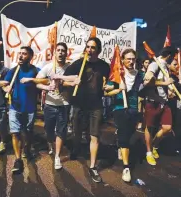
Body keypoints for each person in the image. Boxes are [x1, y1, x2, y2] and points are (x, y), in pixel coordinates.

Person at [64, 37, 110, 183]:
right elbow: (63, 80)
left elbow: (109, 81)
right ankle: (76, 148)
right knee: (77, 133)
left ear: (99, 50)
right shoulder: (78, 64)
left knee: (94, 135)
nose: (89, 50)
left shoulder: (104, 66)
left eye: (93, 47)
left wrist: (108, 87)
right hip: (78, 104)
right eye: (88, 47)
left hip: (95, 105)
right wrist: (73, 82)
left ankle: (92, 166)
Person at [104, 49, 144, 182]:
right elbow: (106, 92)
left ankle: (120, 143)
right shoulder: (117, 74)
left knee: (130, 132)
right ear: (122, 60)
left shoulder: (140, 74)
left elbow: (148, 83)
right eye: (128, 59)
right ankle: (126, 168)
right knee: (124, 136)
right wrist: (118, 89)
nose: (131, 61)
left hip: (133, 109)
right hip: (119, 108)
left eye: (133, 59)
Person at [36, 42, 77, 170]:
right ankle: (50, 143)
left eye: (63, 50)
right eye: (58, 50)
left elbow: (76, 80)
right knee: (49, 130)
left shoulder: (70, 68)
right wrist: (47, 87)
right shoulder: (48, 67)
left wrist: (65, 82)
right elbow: (37, 82)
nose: (60, 52)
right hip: (50, 104)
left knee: (61, 130)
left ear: (66, 53)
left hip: (64, 105)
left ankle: (57, 156)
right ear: (55, 53)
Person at [0, 46, 39, 173]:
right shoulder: (13, 70)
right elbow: (3, 84)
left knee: (27, 133)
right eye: (20, 53)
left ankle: (27, 149)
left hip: (30, 108)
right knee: (15, 133)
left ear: (30, 57)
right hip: (15, 107)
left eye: (24, 54)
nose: (21, 56)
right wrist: (6, 88)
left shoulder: (35, 70)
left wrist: (33, 79)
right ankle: (18, 159)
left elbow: (45, 80)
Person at [143, 46, 177, 166]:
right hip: (152, 102)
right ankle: (148, 152)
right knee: (149, 128)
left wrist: (169, 91)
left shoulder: (165, 67)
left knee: (167, 127)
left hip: (164, 102)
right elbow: (146, 81)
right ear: (169, 56)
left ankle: (154, 145)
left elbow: (164, 86)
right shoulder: (155, 64)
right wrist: (164, 82)